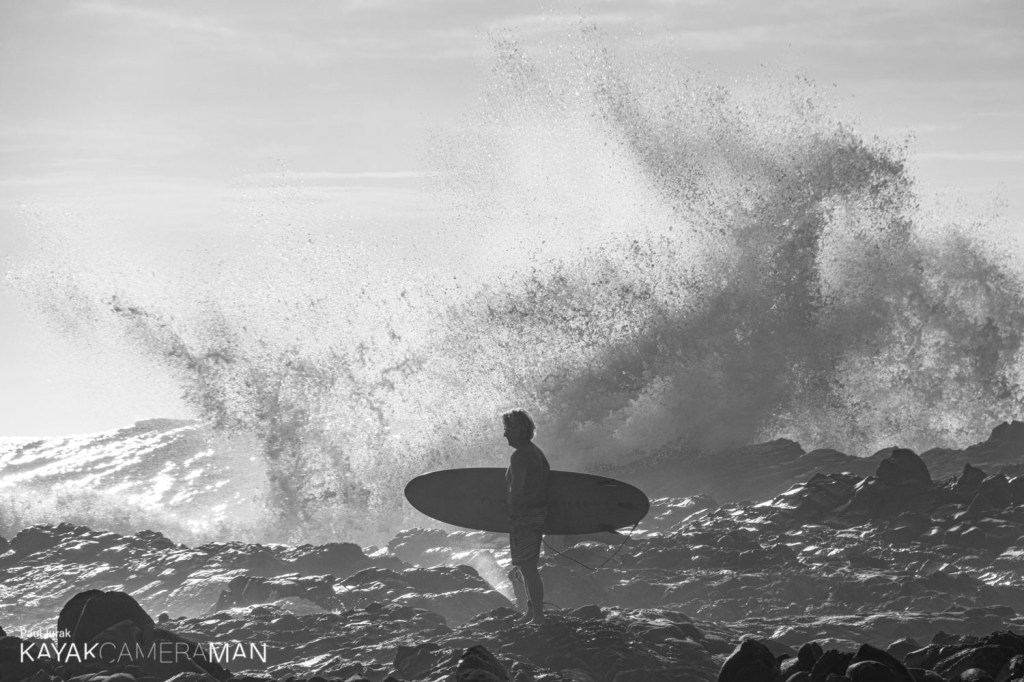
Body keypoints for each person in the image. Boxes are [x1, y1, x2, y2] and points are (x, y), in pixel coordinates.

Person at [503, 408, 550, 625]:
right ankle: (532, 612)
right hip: (537, 513)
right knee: (526, 566)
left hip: (525, 515)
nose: (504, 434)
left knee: (528, 567)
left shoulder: (520, 456)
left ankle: (538, 616)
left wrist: (512, 515)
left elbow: (517, 490)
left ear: (518, 429)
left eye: (507, 428)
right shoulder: (536, 452)